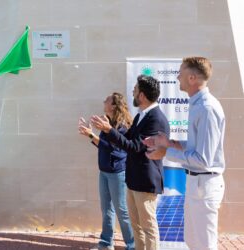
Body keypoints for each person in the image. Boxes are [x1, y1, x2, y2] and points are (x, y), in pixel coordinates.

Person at [143, 57, 225, 250]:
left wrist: (165, 152)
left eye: (180, 72)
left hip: (204, 184)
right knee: (193, 241)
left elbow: (203, 159)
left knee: (204, 245)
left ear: (192, 77)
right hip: (196, 184)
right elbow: (198, 146)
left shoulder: (206, 108)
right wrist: (170, 142)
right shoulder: (198, 104)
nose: (177, 76)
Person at [90, 76, 169, 250]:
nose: (132, 92)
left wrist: (109, 130)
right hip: (133, 179)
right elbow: (125, 139)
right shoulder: (142, 115)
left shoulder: (155, 119)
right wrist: (106, 130)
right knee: (137, 227)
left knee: (148, 228)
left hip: (146, 181)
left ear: (141, 95)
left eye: (135, 89)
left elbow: (135, 147)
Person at [78, 92, 135, 250]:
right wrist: (90, 135)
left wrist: (92, 135)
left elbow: (115, 151)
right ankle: (106, 243)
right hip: (104, 172)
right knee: (106, 210)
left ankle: (132, 245)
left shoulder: (122, 127)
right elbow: (103, 145)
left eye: (107, 100)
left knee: (121, 210)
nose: (104, 102)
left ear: (114, 106)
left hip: (117, 174)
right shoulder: (107, 122)